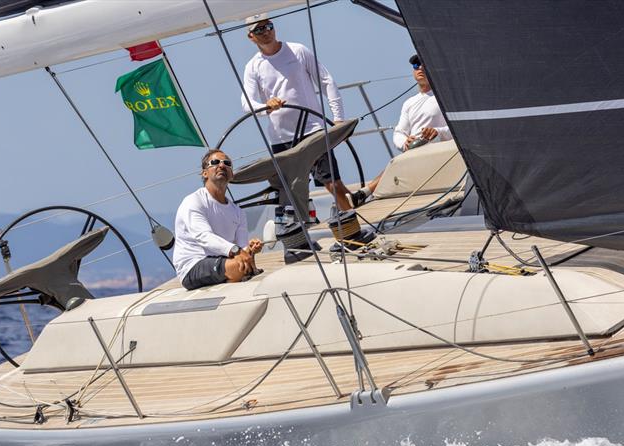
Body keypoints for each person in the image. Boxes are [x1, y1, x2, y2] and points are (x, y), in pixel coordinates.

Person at [241, 14, 354, 213]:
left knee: (332, 184)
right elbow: (247, 103)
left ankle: (354, 223)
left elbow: (326, 81)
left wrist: (338, 120)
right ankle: (305, 235)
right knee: (291, 194)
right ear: (250, 37)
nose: (266, 32)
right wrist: (266, 105)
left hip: (313, 130)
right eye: (259, 30)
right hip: (281, 139)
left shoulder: (298, 51)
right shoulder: (252, 67)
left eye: (268, 26)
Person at [346, 54, 453, 208]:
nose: (420, 68)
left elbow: (459, 129)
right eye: (416, 65)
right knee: (397, 162)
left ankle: (364, 193)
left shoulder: (445, 97)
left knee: (397, 163)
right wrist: (405, 142)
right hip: (414, 151)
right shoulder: (409, 103)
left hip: (439, 151)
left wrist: (438, 131)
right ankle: (364, 194)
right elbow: (399, 133)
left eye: (424, 63)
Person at [173, 149, 263, 290]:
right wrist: (237, 251)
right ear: (205, 173)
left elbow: (242, 248)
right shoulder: (193, 201)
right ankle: (232, 279)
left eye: (227, 163)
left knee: (243, 265)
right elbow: (203, 236)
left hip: (223, 259)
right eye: (215, 162)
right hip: (194, 264)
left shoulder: (238, 213)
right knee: (239, 267)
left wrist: (250, 250)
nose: (221, 166)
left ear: (231, 174)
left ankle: (230, 279)